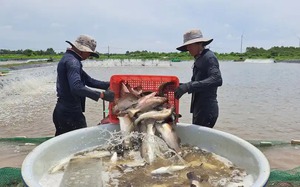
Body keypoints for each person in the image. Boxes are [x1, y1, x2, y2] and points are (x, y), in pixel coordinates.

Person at [52, 34, 115, 136]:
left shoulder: (69, 59)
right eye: (89, 53)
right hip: (70, 115)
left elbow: (89, 81)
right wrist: (102, 95)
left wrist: (111, 84)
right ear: (82, 50)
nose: (89, 56)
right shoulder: (73, 62)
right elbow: (76, 87)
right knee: (81, 142)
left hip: (62, 111)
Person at [174, 29, 222, 128]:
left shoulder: (209, 57)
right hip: (199, 108)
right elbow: (197, 82)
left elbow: (217, 79)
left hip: (207, 109)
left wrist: (188, 86)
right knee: (197, 142)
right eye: (187, 46)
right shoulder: (199, 58)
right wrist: (181, 86)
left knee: (201, 141)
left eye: (190, 45)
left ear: (199, 44)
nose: (188, 49)